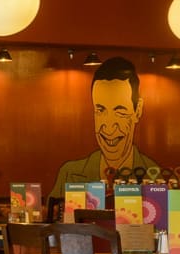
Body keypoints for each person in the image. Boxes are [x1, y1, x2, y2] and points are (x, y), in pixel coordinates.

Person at [53, 56, 160, 194]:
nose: (109, 128)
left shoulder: (154, 174)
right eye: (100, 110)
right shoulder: (69, 173)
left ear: (137, 111)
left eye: (120, 112)